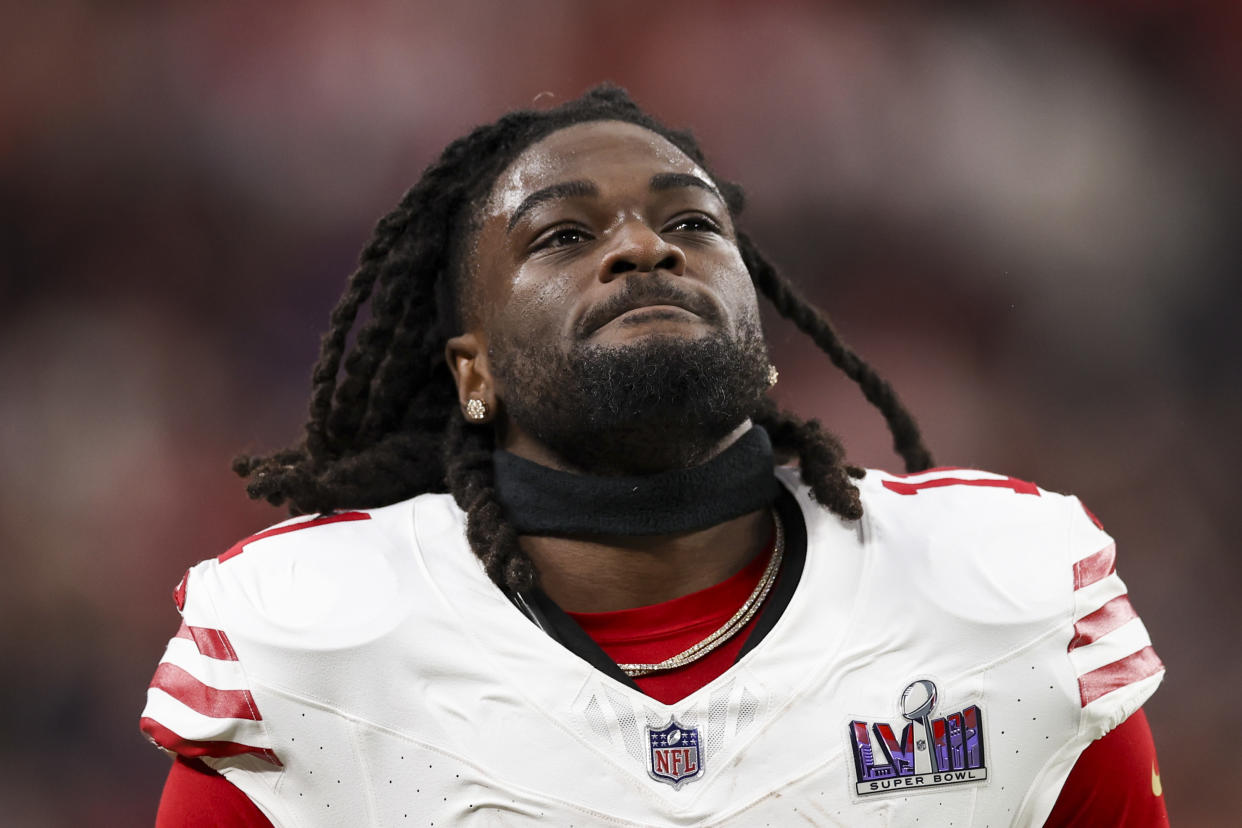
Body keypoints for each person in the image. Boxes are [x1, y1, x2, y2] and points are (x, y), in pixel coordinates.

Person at [140, 86, 1167, 826]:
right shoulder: (315, 650)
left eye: (690, 221)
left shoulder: (1001, 603)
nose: (644, 247)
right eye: (560, 237)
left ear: (762, 333)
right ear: (472, 371)